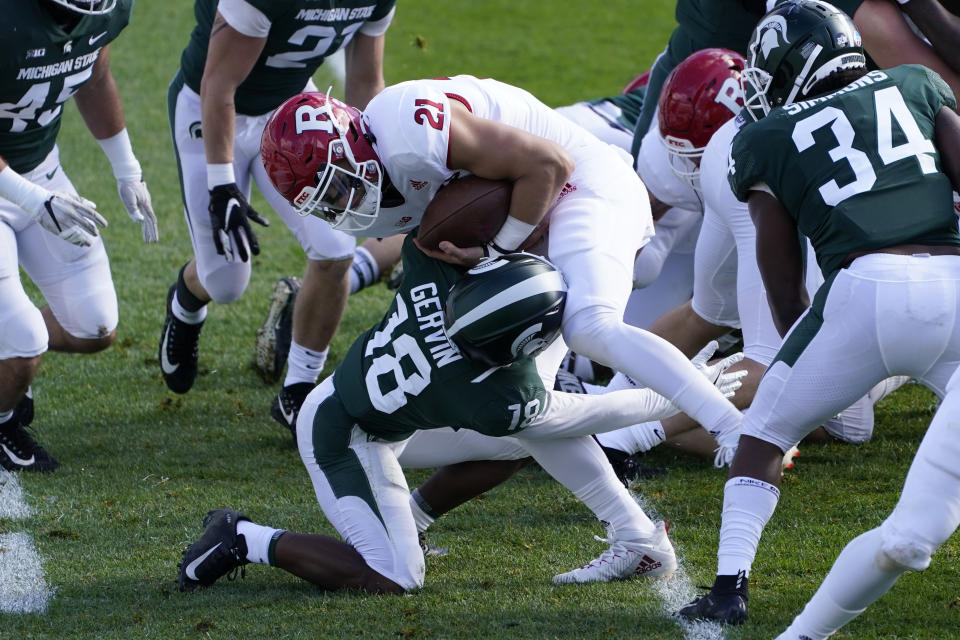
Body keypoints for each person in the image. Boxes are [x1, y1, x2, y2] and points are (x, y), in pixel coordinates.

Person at [176, 241, 744, 593]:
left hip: (382, 410)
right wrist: (689, 395)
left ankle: (413, 521)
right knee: (396, 575)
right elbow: (595, 413)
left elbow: (435, 220)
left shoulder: (432, 265)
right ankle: (243, 537)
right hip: (342, 436)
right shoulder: (492, 397)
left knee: (516, 443)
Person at [259, 77, 746, 469]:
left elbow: (550, 164)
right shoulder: (377, 187)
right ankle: (632, 535)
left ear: (352, 138)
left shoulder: (407, 127)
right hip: (531, 222)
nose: (344, 203)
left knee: (590, 326)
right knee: (526, 409)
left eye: (339, 184)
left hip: (582, 183)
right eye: (326, 201)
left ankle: (725, 421)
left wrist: (496, 252)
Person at [676, 0, 960, 627]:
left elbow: (780, 274)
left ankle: (729, 589)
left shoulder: (763, 138)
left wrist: (807, 350)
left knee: (763, 436)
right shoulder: (913, 83)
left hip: (864, 288)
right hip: (955, 283)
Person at [159, 0, 395, 435]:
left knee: (335, 247)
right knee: (226, 282)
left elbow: (365, 80)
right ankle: (188, 297)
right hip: (206, 107)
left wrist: (382, 157)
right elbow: (218, 85)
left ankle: (299, 390)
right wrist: (221, 185)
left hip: (290, 111)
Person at [0, 0, 158, 472]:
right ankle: (2, 420)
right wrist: (31, 200)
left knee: (93, 325)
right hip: (21, 187)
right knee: (25, 341)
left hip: (41, 175)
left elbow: (94, 74)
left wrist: (127, 169)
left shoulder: (104, 12)